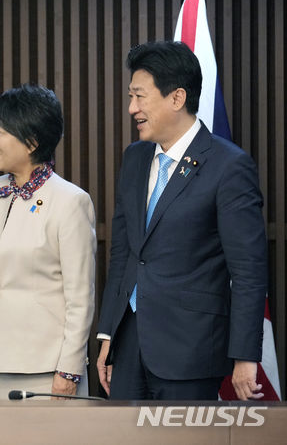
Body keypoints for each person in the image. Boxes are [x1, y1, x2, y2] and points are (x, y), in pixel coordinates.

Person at [96, 40, 268, 400]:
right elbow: (124, 254)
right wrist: (109, 334)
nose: (132, 108)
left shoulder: (228, 166)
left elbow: (249, 271)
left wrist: (245, 356)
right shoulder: (135, 158)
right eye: (131, 96)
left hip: (191, 351)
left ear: (177, 98)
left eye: (140, 97)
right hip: (128, 348)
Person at [0, 84, 96, 400]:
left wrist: (69, 370)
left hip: (47, 373)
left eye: (1, 131)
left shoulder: (70, 202)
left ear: (32, 141)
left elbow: (80, 297)